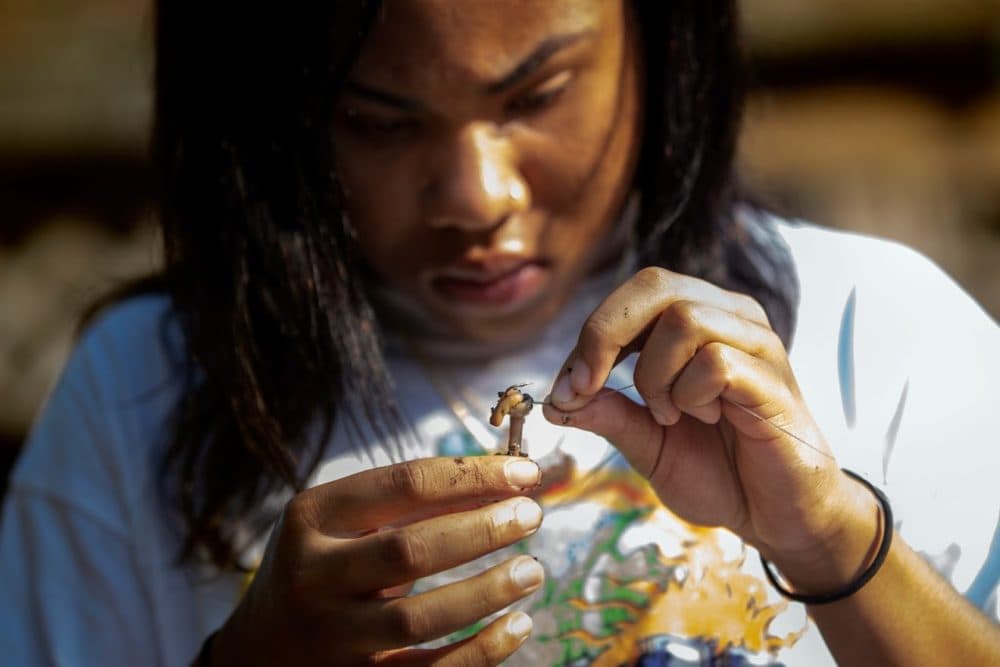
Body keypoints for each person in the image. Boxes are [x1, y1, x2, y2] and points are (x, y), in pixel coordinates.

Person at [1, 1, 999, 665]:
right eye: (381, 122)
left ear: (661, 39)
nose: (476, 198)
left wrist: (832, 537)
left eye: (535, 96)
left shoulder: (879, 323)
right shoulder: (140, 388)